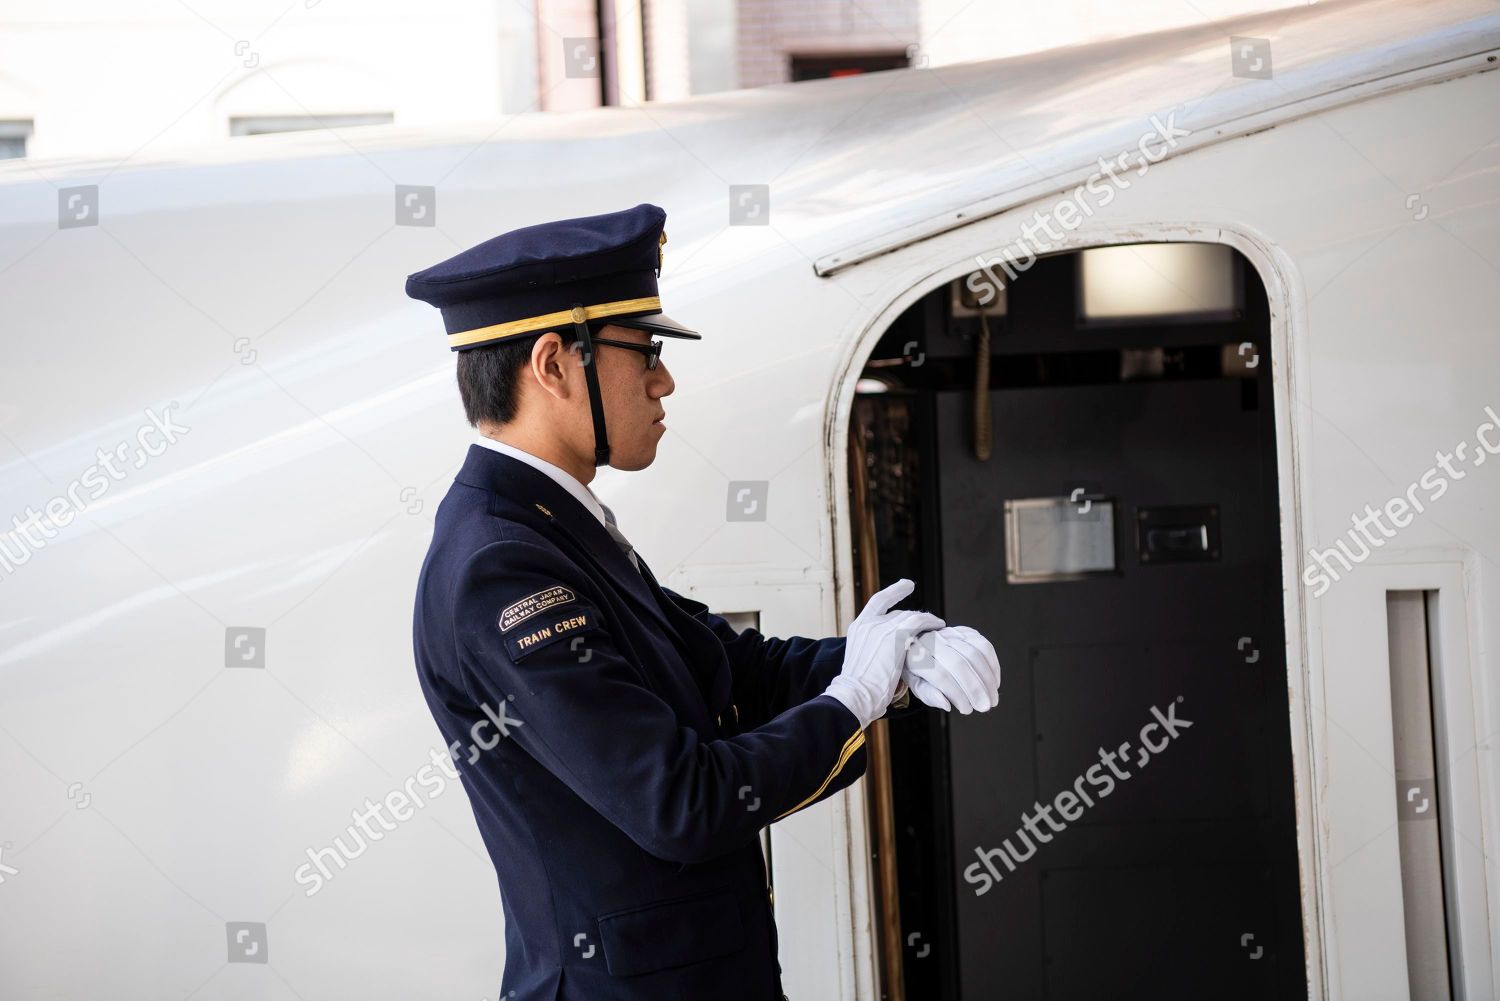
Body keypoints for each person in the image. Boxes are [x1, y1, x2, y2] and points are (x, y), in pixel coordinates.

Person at [406, 203, 1000, 1000]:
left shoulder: (552, 528)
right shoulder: (503, 565)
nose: (664, 378)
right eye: (643, 351)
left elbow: (727, 669)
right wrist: (852, 696)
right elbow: (680, 802)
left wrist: (897, 660)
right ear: (553, 364)